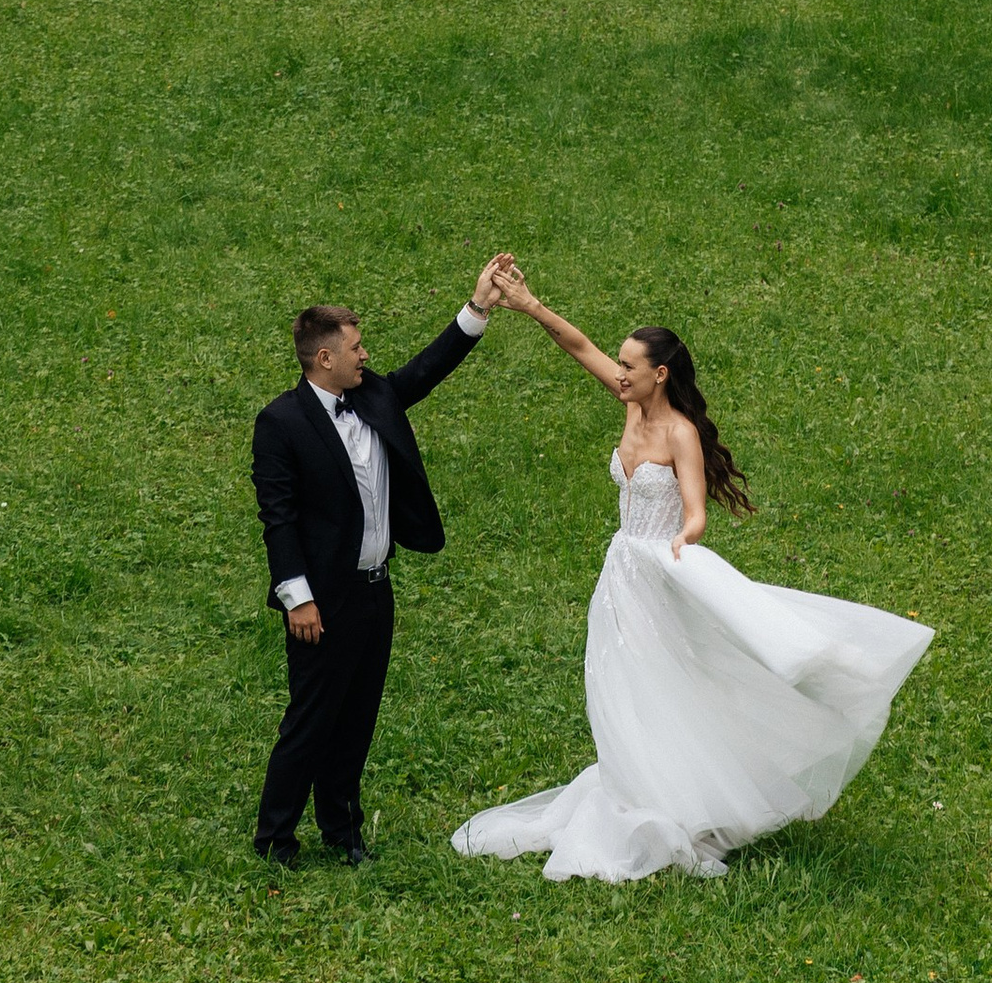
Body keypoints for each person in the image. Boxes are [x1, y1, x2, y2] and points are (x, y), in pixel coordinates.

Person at [452, 265, 931, 882]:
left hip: (659, 571)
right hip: (619, 573)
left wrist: (686, 536)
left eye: (630, 365)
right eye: (618, 363)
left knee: (672, 681)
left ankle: (682, 798)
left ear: (662, 373)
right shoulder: (628, 404)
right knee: (619, 685)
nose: (618, 373)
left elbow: (697, 510)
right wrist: (528, 305)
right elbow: (577, 346)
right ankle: (636, 785)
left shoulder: (679, 432)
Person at [250, 255, 514, 865]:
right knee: (311, 720)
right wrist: (299, 596)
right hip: (322, 600)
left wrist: (478, 308)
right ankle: (275, 838)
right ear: (325, 359)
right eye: (356, 347)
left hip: (374, 592)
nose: (365, 355)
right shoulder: (281, 424)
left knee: (357, 720)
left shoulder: (371, 397)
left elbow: (426, 370)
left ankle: (343, 834)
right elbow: (279, 517)